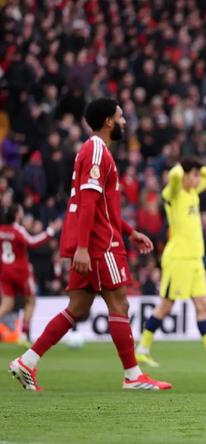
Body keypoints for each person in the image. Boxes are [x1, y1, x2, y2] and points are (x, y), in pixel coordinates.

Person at [8, 98, 172, 391]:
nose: (124, 121)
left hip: (95, 239)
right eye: (120, 116)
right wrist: (83, 247)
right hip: (99, 243)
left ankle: (26, 362)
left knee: (77, 308)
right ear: (108, 121)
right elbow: (88, 202)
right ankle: (133, 375)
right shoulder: (96, 150)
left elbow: (102, 206)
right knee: (119, 303)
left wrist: (130, 231)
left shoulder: (95, 150)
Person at [136, 157, 206, 367]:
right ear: (185, 175)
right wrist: (183, 169)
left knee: (203, 305)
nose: (199, 179)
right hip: (178, 259)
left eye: (198, 175)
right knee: (166, 306)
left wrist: (195, 168)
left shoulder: (193, 193)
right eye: (194, 175)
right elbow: (174, 176)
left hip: (195, 259)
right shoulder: (173, 194)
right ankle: (142, 349)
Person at [0, 204, 61, 346]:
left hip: (5, 271)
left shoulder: (1, 231)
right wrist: (50, 231)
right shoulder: (18, 230)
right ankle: (24, 334)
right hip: (20, 272)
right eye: (20, 212)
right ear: (17, 215)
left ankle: (24, 334)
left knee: (7, 304)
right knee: (30, 301)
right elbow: (32, 242)